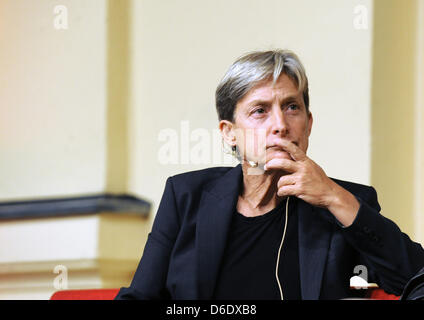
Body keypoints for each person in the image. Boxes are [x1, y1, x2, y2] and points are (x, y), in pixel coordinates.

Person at [115, 49, 424, 300]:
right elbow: (139, 296)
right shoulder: (186, 197)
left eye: (292, 107)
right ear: (229, 133)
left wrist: (331, 195)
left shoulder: (343, 203)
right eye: (260, 110)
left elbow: (415, 278)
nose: (280, 124)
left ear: (309, 123)